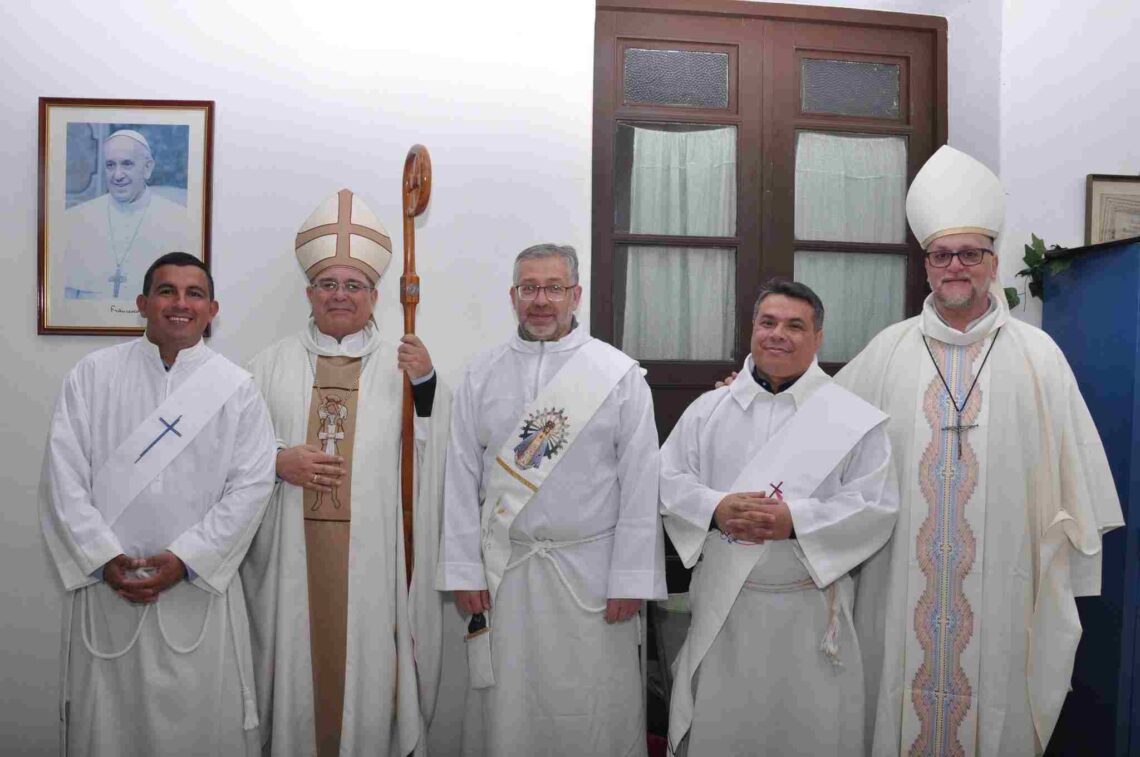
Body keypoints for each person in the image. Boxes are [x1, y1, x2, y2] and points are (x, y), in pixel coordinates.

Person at [837, 145, 1125, 755]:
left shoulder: (1037, 356)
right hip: (898, 586)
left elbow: (1077, 482)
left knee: (997, 703)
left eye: (970, 253)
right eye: (941, 255)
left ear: (993, 263)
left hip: (1003, 587)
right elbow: (822, 438)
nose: (955, 266)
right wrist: (765, 397)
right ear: (926, 267)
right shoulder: (886, 352)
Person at [40, 251, 277, 755]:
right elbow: (62, 476)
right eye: (167, 291)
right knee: (108, 728)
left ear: (212, 310)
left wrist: (188, 561)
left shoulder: (237, 390)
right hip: (109, 595)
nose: (180, 303)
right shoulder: (92, 376)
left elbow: (251, 487)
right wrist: (103, 559)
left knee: (200, 730)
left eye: (194, 294)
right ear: (143, 303)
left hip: (196, 596)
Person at [241, 189, 450, 756]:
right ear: (308, 293)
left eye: (353, 285)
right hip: (289, 563)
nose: (340, 295)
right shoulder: (268, 365)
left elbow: (434, 460)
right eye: (328, 284)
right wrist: (276, 462)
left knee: (369, 676)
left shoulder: (403, 364)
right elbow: (232, 456)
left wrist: (426, 385)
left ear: (375, 295)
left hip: (373, 567)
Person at [437, 243, 666, 756]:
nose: (541, 300)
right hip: (507, 573)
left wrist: (629, 579)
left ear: (576, 294)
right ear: (513, 296)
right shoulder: (481, 374)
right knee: (510, 712)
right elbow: (459, 476)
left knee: (593, 708)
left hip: (592, 576)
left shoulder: (619, 376)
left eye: (553, 288)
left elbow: (640, 484)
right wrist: (463, 570)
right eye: (529, 288)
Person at [659, 280, 898, 756]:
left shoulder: (851, 419)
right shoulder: (708, 411)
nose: (778, 335)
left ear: (818, 337)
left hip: (810, 618)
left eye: (795, 325)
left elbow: (875, 506)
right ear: (752, 329)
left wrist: (796, 521)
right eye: (768, 323)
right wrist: (714, 508)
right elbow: (666, 480)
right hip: (728, 612)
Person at [60, 129, 193, 300]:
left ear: (147, 168)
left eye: (127, 164)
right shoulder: (75, 220)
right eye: (110, 165)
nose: (117, 175)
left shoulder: (179, 221)